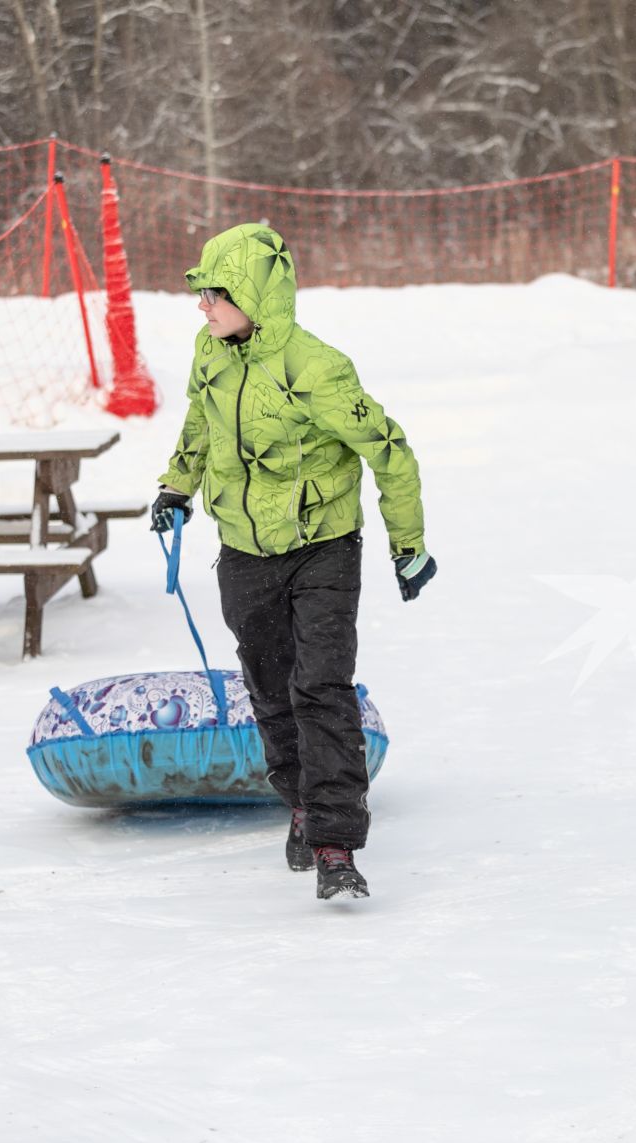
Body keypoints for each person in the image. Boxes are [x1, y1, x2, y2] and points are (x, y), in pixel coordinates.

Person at [150, 222, 435, 901]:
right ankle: (302, 804)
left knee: (322, 685)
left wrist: (409, 544)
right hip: (245, 550)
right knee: (271, 686)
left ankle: (336, 844)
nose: (203, 307)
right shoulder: (210, 352)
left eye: (215, 294)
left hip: (323, 549)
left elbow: (388, 449)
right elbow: (199, 422)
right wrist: (176, 485)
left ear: (254, 295)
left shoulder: (318, 369)